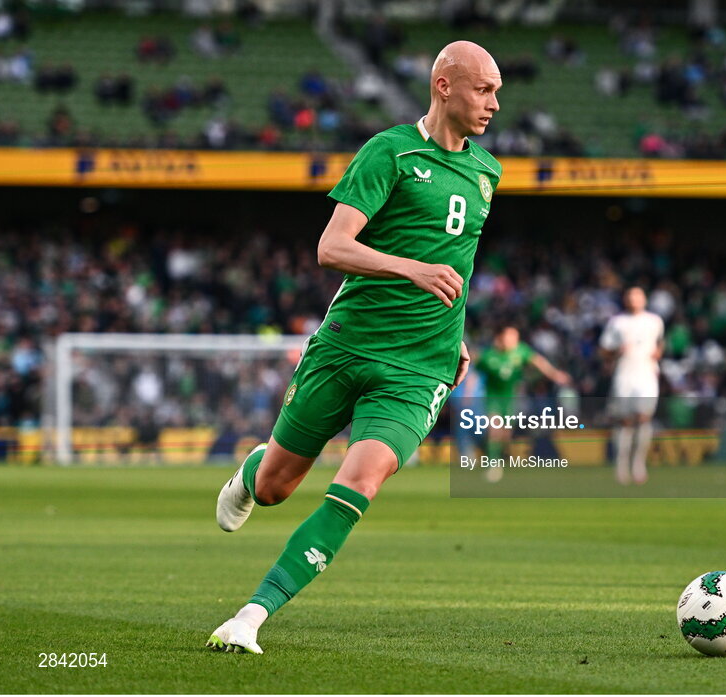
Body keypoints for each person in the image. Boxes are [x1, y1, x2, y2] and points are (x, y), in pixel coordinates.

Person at [205, 40, 503, 654]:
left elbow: (456, 264)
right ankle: (255, 471)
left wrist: (457, 332)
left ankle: (251, 616)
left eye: (498, 91)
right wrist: (410, 270)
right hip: (347, 347)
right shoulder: (389, 153)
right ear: (444, 86)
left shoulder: (486, 173)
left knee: (361, 482)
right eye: (484, 89)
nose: (494, 103)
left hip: (419, 369)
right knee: (277, 489)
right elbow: (332, 248)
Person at [477, 325, 570, 481]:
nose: (513, 340)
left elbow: (538, 361)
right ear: (501, 338)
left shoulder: (520, 351)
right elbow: (474, 368)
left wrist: (554, 374)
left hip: (510, 398)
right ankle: (493, 465)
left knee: (505, 434)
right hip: (493, 398)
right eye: (510, 337)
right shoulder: (489, 356)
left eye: (515, 337)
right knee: (494, 429)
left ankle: (496, 456)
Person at [599, 287, 664, 484]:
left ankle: (639, 464)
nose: (634, 300)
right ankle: (621, 465)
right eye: (630, 296)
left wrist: (658, 352)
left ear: (644, 299)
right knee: (625, 421)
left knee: (644, 418)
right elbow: (603, 351)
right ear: (625, 300)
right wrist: (617, 351)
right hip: (624, 375)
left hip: (646, 375)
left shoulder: (655, 321)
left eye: (638, 296)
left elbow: (660, 343)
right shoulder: (617, 322)